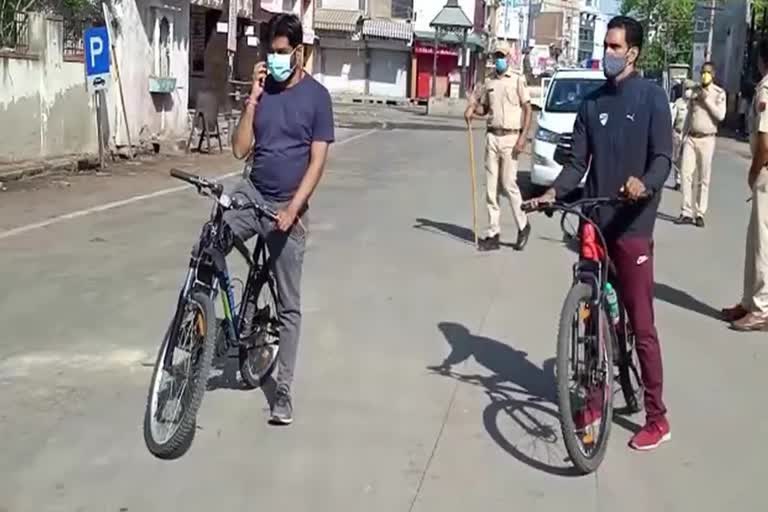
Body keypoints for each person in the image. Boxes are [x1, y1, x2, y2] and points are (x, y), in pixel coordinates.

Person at [525, 16, 672, 451]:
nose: (607, 53)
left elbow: (664, 158)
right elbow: (575, 167)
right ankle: (592, 399)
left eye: (614, 46)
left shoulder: (652, 98)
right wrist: (551, 193)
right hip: (594, 223)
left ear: (633, 52)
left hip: (633, 225)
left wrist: (643, 183)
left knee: (642, 324)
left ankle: (658, 417)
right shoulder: (590, 104)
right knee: (588, 317)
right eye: (605, 45)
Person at [227, 13, 335, 424]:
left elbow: (318, 161)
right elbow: (239, 151)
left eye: (281, 53)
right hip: (252, 194)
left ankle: (283, 390)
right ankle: (204, 323)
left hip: (288, 206)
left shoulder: (316, 97)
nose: (275, 59)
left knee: (290, 306)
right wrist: (253, 96)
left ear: (299, 52)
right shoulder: (264, 92)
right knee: (209, 243)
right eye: (270, 53)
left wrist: (293, 209)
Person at [464, 40, 533, 252]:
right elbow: (485, 109)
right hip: (492, 137)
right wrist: (472, 112)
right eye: (497, 56)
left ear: (508, 58)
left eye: (503, 56)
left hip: (511, 138)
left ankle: (523, 225)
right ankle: (493, 233)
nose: (499, 59)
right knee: (491, 187)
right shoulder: (489, 82)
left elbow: (528, 109)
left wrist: (523, 137)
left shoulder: (517, 80)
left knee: (508, 184)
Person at [722, 38, 768, 331]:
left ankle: (762, 308)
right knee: (756, 240)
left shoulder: (766, 87)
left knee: (763, 243)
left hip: (766, 170)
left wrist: (754, 170)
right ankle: (749, 301)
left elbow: (765, 140)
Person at [675, 62, 726, 228]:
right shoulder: (694, 92)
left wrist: (707, 100)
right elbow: (689, 115)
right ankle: (686, 211)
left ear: (713, 75)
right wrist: (682, 137)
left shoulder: (719, 93)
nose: (705, 75)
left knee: (703, 178)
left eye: (708, 72)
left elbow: (720, 116)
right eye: (703, 72)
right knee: (685, 174)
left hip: (707, 139)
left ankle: (700, 213)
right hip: (691, 137)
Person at [671, 80, 693, 192]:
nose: (688, 91)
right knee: (677, 159)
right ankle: (678, 181)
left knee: (689, 160)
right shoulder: (678, 103)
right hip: (678, 133)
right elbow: (672, 119)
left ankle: (688, 180)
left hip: (690, 135)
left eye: (690, 88)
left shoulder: (695, 103)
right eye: (687, 88)